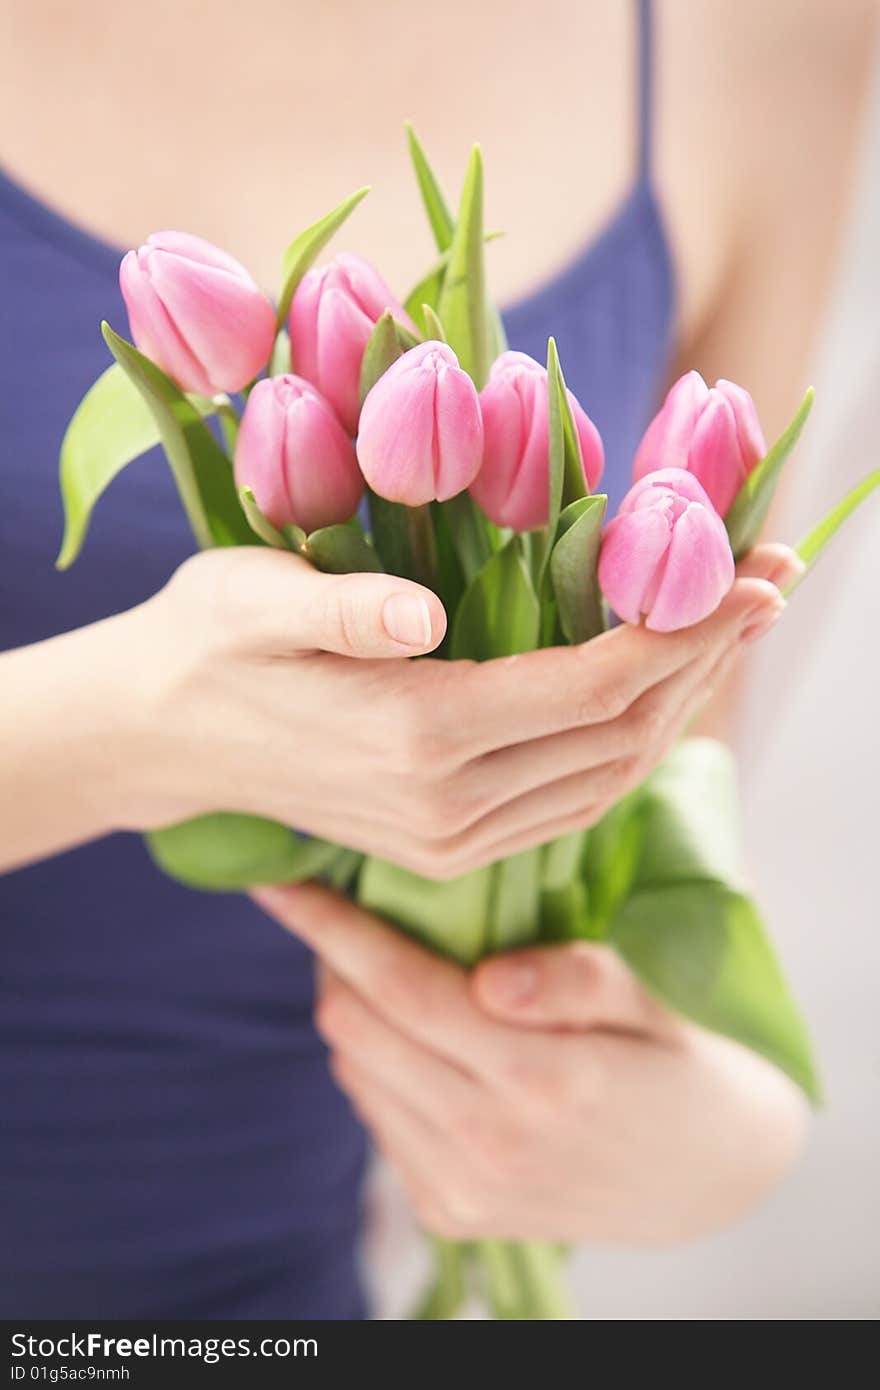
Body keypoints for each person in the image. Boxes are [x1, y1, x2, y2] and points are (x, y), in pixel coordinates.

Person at [0, 1, 874, 1318]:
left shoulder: (765, 34)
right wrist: (137, 726)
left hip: (266, 1303)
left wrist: (717, 1130)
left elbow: (668, 793)